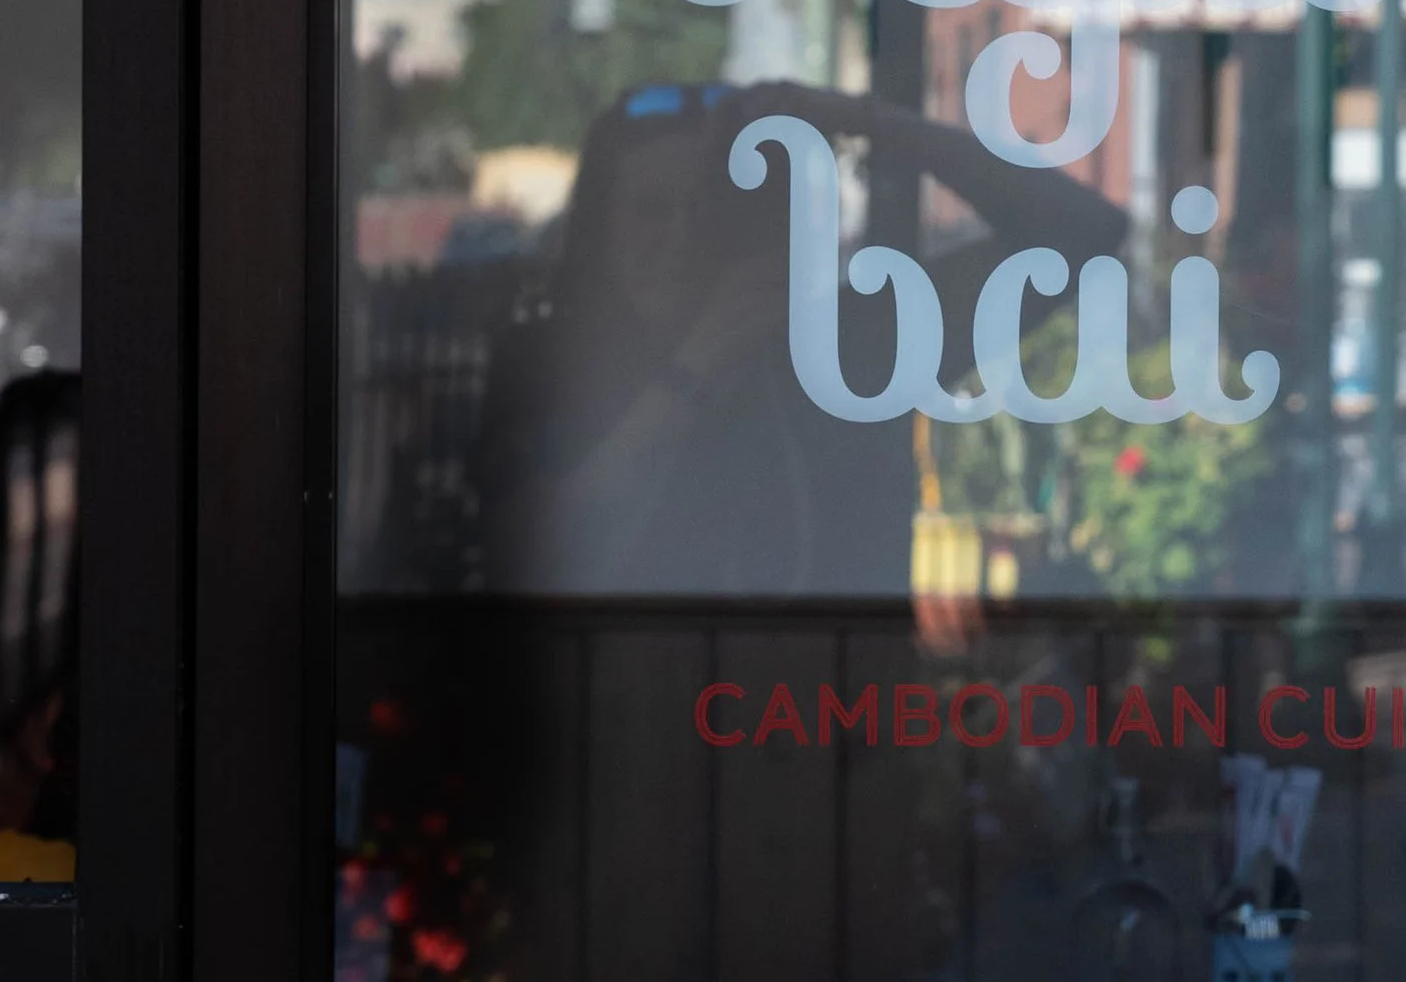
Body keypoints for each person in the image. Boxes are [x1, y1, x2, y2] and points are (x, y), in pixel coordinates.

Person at [477, 80, 1128, 597]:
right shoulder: (546, 362)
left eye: (708, 207)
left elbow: (1081, 233)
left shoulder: (846, 346)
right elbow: (521, 552)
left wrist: (865, 120)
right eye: (651, 210)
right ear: (602, 228)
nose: (682, 237)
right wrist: (691, 374)